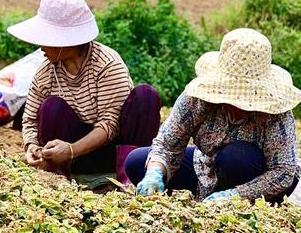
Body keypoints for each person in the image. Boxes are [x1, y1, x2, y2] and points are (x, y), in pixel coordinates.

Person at [126, 28, 301, 203]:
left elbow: (283, 171)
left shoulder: (275, 112)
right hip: (207, 166)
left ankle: (233, 201)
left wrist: (235, 196)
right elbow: (167, 144)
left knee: (236, 158)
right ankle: (204, 197)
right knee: (136, 161)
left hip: (257, 178)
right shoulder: (197, 99)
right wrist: (155, 172)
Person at [8, 0, 161, 180]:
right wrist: (31, 146)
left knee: (145, 96)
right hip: (70, 160)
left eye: (46, 39)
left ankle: (129, 179)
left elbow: (109, 124)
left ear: (65, 41)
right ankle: (59, 176)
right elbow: (30, 119)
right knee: (51, 107)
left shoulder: (107, 64)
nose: (41, 47)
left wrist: (72, 150)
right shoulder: (45, 73)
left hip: (113, 154)